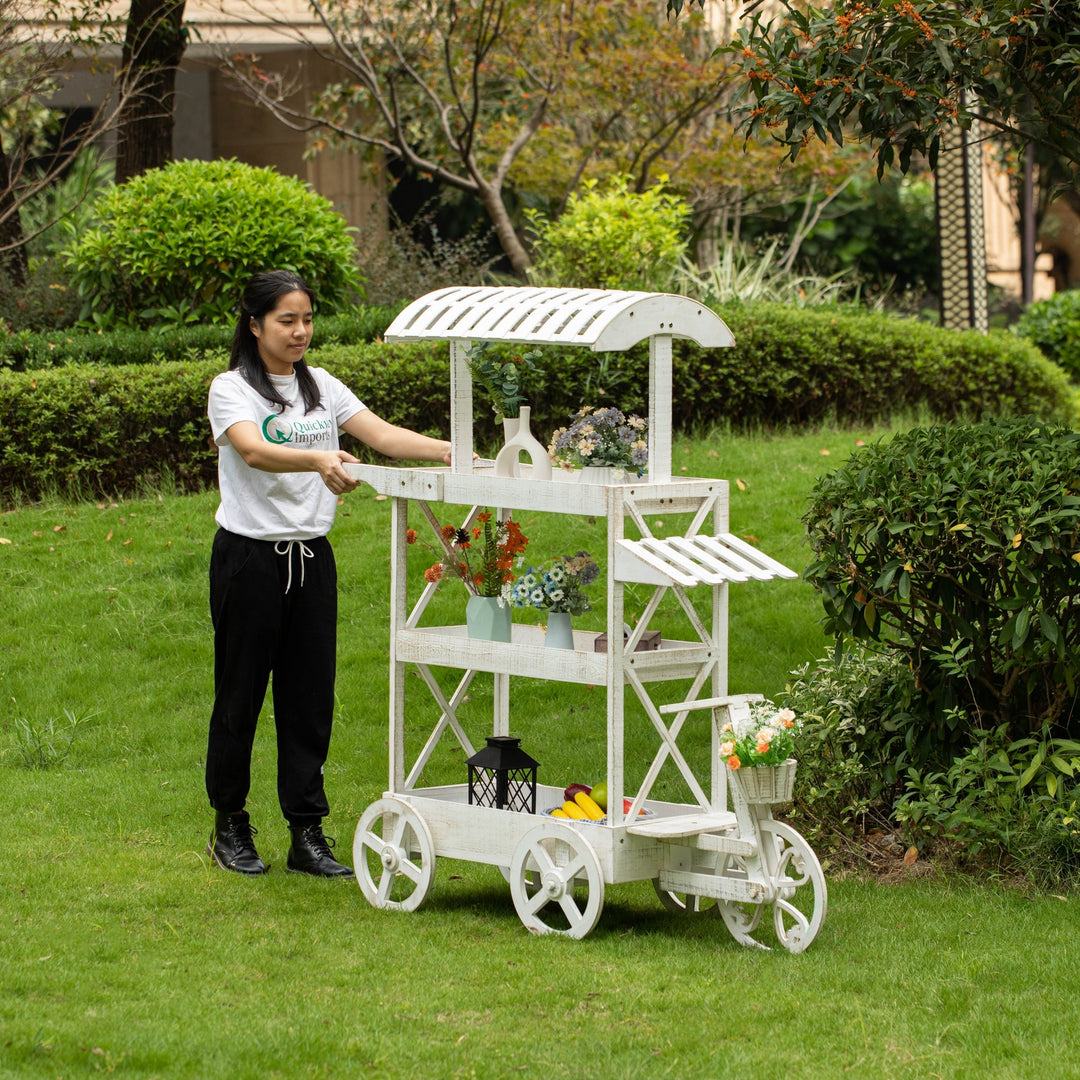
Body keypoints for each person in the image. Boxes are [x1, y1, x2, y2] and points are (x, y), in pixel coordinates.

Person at [205, 270, 451, 877]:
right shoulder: (231, 389)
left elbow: (384, 436)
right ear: (255, 324)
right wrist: (318, 456)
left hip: (312, 560)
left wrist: (453, 450)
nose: (300, 331)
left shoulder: (322, 389)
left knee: (309, 701)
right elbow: (253, 450)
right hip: (250, 560)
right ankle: (230, 827)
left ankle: (306, 834)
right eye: (287, 320)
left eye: (307, 319)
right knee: (240, 698)